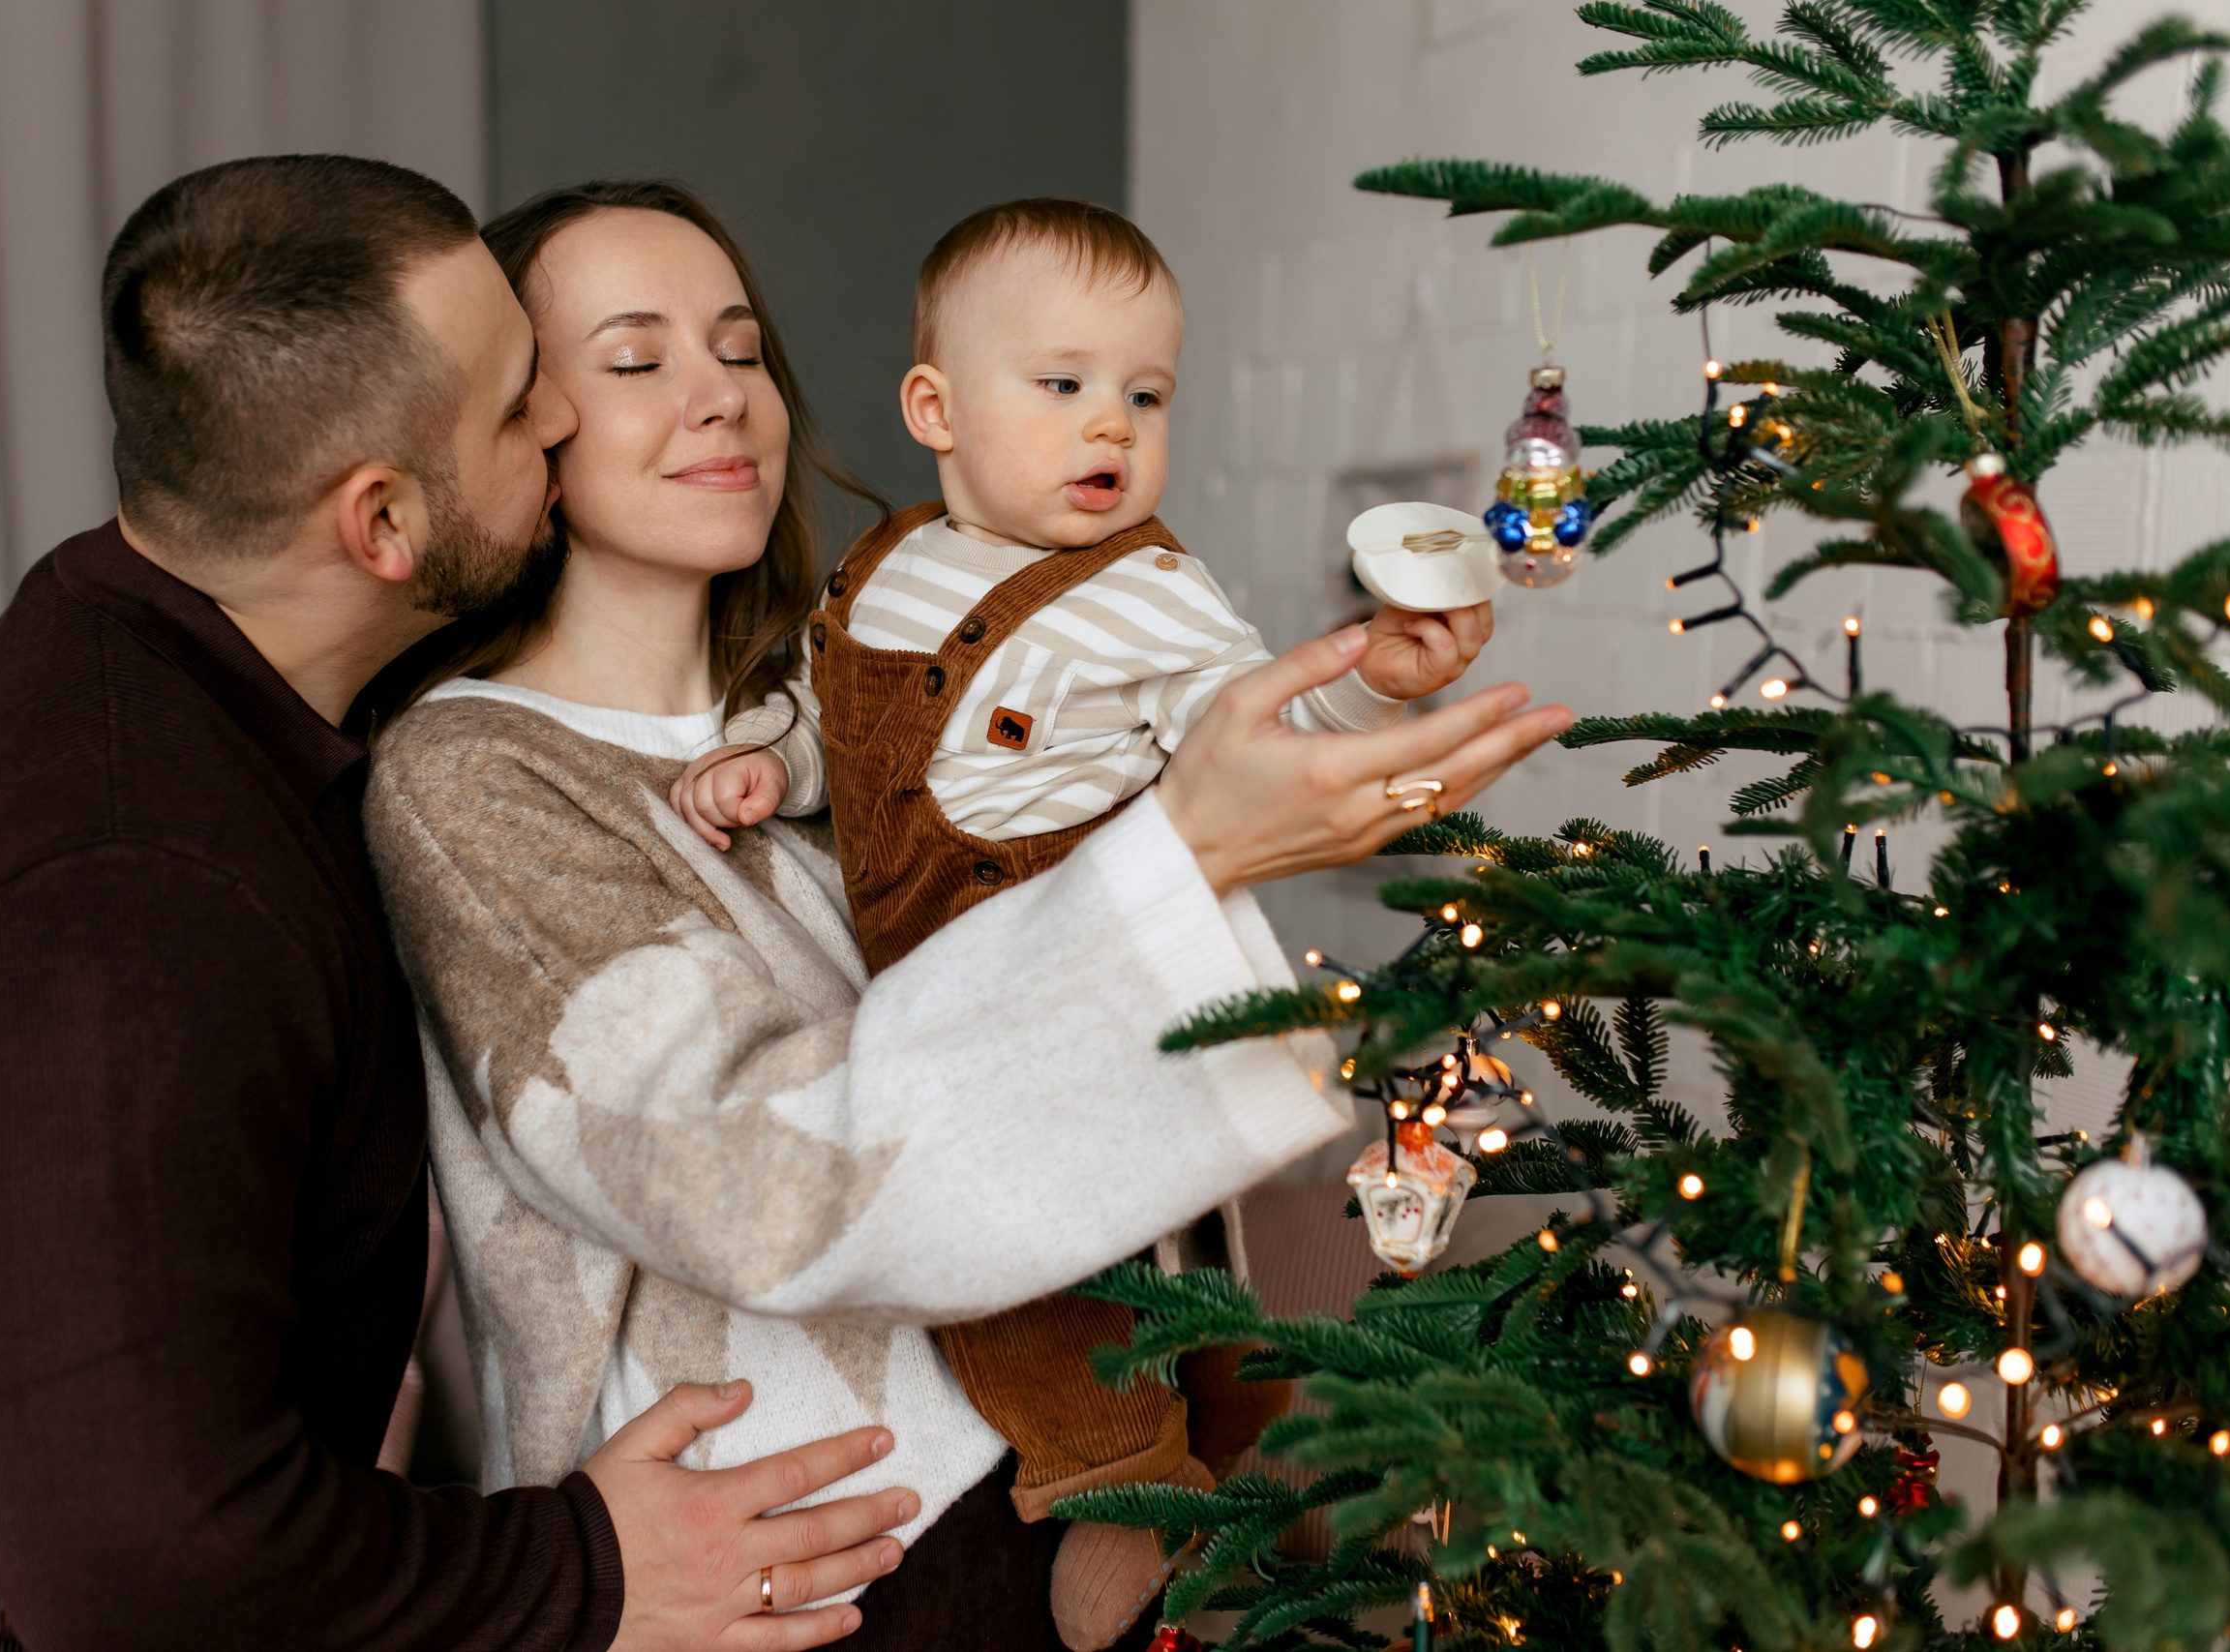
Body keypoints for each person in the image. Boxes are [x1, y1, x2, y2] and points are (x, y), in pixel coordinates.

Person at [363, 180, 1565, 1652]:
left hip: (1083, 1497)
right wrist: (1181, 853)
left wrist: (1345, 710)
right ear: (512, 423)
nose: (719, 399)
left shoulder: (841, 696)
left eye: (741, 351)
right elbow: (738, 1177)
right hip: (806, 1559)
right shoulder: (477, 772)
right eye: (635, 359)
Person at [0, 156, 922, 1652]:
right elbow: (139, 1564)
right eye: (528, 397)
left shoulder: (177, 686)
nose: (565, 425)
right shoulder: (124, 903)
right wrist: (581, 1570)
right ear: (384, 525)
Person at [674, 196, 1498, 1650]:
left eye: (1144, 393)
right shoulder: (880, 573)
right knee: (1125, 1257)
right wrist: (773, 764)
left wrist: (1383, 679)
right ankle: (1231, 1456)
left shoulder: (1152, 597)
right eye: (1061, 386)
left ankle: (1130, 1487)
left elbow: (1271, 712)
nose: (1108, 425)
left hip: (1083, 980)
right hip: (944, 1001)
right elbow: (835, 719)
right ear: (936, 407)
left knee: (1053, 1273)